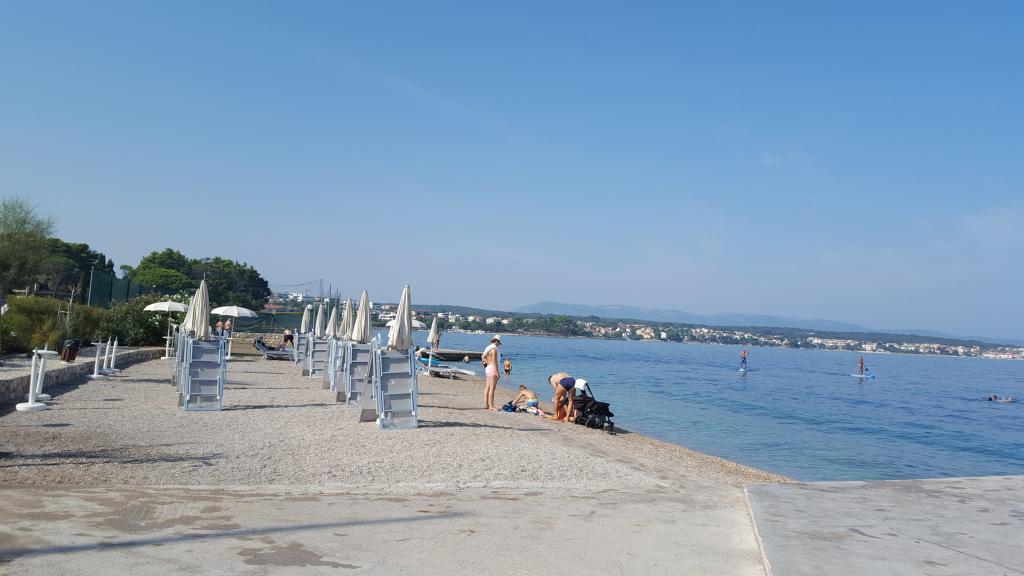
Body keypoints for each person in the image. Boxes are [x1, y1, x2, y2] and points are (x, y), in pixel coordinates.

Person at [481, 335, 502, 410]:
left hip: (488, 368)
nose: (499, 345)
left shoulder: (488, 348)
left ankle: (486, 405)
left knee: (487, 387)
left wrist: (488, 363)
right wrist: (497, 372)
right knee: (492, 388)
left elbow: (482, 357)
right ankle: (491, 406)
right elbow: (495, 361)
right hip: (493, 368)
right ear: (497, 341)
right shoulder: (494, 349)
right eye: (499, 343)